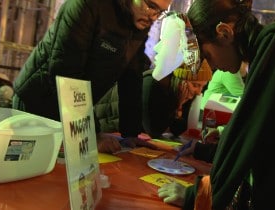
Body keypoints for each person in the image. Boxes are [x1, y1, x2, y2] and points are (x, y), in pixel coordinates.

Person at [157, 0, 275, 209]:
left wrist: (197, 196)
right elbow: (262, 135)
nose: (212, 66)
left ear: (224, 33)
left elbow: (249, 134)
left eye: (207, 55)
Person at [11, 0, 173, 154]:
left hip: (73, 112)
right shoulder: (88, 5)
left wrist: (131, 133)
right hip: (37, 105)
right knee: (26, 173)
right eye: (151, 6)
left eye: (160, 11)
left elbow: (131, 76)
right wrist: (90, 134)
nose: (153, 17)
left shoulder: (139, 19)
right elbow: (66, 72)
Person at [94, 59, 212, 139]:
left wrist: (180, 106)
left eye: (202, 86)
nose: (198, 92)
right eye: (196, 85)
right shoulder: (151, 84)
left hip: (126, 137)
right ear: (180, 80)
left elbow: (178, 130)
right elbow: (154, 130)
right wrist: (177, 106)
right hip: (104, 131)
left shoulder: (183, 92)